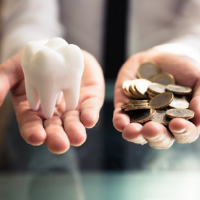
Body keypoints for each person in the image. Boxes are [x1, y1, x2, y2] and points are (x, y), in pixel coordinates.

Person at [0, 0, 200, 155]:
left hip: (158, 63)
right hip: (70, 65)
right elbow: (28, 15)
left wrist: (184, 53)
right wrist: (34, 53)